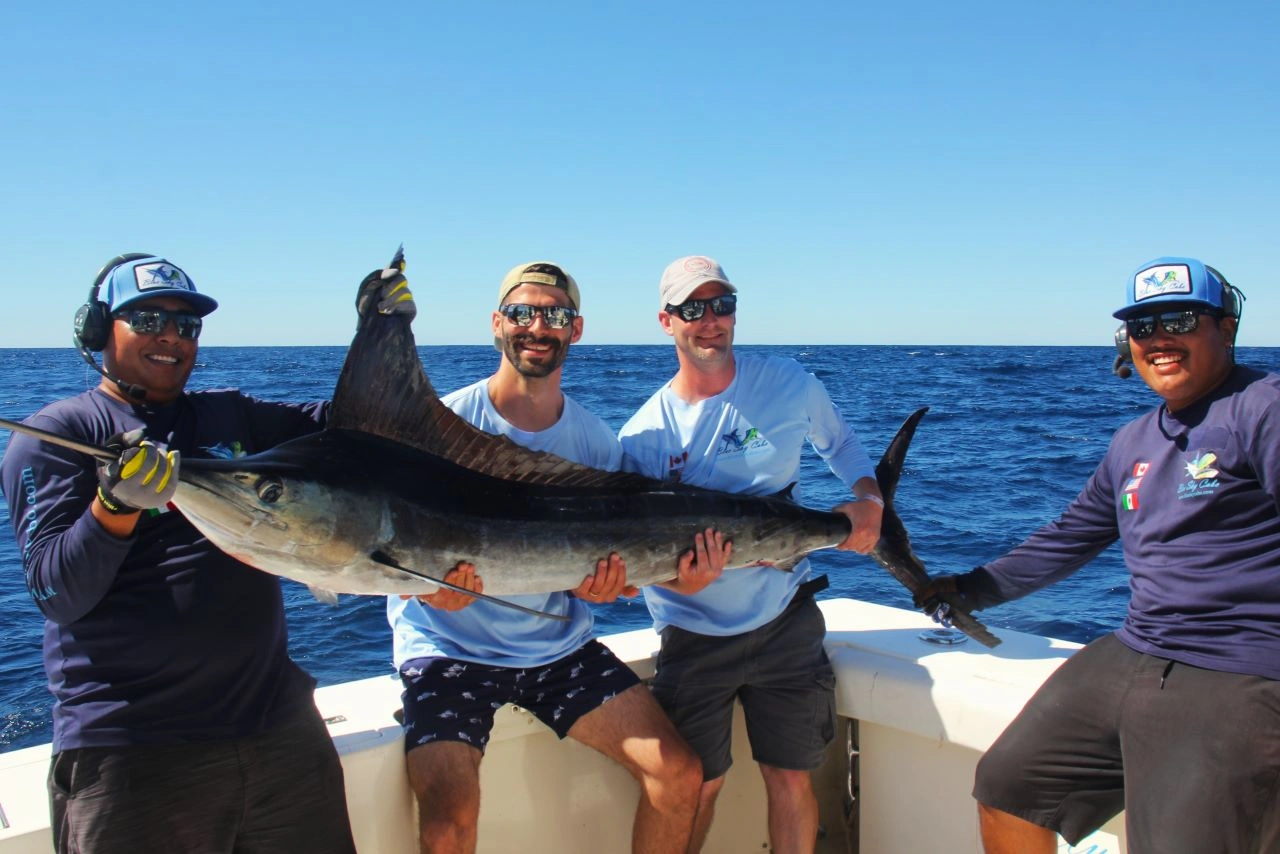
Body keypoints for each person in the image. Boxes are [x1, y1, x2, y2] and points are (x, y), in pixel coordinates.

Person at [0, 253, 414, 853]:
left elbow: (369, 432)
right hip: (133, 752)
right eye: (146, 319)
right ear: (99, 331)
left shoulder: (231, 415)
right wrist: (112, 507)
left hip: (278, 729)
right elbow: (55, 594)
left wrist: (383, 329)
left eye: (186, 324)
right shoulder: (58, 436)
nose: (169, 336)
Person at [916, 257, 1280, 854]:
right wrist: (970, 588)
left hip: (1238, 667)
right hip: (1137, 645)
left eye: (1181, 319)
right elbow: (1071, 535)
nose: (1159, 339)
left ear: (1227, 328)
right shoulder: (1133, 439)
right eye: (1142, 327)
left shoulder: (1263, 408)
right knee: (1009, 787)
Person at [386, 261, 704, 854]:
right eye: (522, 312)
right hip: (447, 647)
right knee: (449, 816)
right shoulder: (441, 427)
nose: (537, 326)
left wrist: (606, 588)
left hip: (557, 647)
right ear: (496, 323)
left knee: (679, 772)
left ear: (575, 329)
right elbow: (388, 547)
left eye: (554, 315)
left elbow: (607, 567)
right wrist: (423, 588)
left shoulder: (595, 443)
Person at [618, 255, 885, 854]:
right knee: (699, 787)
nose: (710, 321)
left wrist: (867, 496)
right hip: (693, 637)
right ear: (667, 321)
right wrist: (681, 586)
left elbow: (838, 443)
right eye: (693, 309)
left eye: (722, 305)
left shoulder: (789, 382)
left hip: (786, 621)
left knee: (790, 777)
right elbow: (641, 563)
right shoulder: (641, 438)